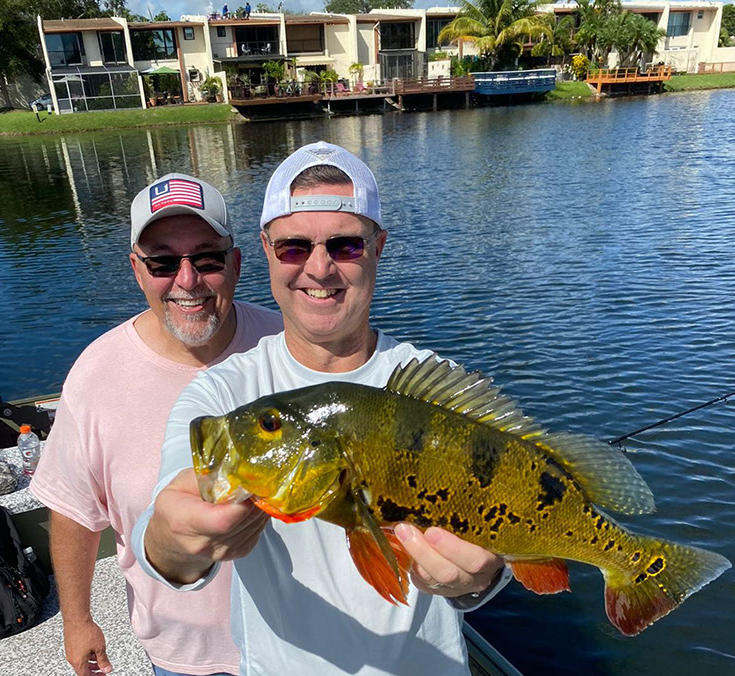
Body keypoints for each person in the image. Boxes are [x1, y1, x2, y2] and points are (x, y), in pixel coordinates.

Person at [132, 143, 511, 675]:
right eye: (293, 247)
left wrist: (480, 581)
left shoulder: (434, 387)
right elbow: (163, 531)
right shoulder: (222, 395)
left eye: (345, 245)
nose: (318, 267)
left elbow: (507, 529)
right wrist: (174, 541)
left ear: (378, 247)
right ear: (266, 250)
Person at [30, 174, 282, 676]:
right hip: (183, 656)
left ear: (235, 263)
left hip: (295, 642)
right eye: (163, 263)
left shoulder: (287, 347)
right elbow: (74, 510)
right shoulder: (96, 375)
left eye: (207, 259)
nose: (187, 280)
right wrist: (77, 621)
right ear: (137, 271)